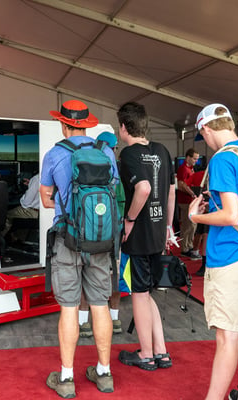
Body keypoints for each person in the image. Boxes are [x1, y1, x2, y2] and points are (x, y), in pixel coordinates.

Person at [188, 103, 238, 400]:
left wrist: (197, 218)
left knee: (227, 335)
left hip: (230, 254)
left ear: (206, 129)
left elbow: (232, 216)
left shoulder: (222, 159)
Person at [40, 100, 117, 397]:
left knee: (70, 307)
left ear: (63, 124)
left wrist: (63, 198)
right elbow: (112, 193)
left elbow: (46, 199)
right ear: (87, 124)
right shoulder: (106, 152)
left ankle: (67, 378)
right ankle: (104, 373)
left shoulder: (56, 154)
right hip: (101, 240)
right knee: (100, 305)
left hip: (68, 239)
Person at [115, 101, 175, 371]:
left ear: (124, 127)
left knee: (139, 293)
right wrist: (168, 227)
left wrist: (129, 220)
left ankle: (147, 354)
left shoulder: (128, 154)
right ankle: (161, 351)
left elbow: (143, 188)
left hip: (138, 234)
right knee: (147, 291)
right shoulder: (162, 150)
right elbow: (170, 192)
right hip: (159, 230)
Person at [78, 130, 124, 337]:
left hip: (87, 232)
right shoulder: (117, 178)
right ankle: (114, 320)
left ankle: (83, 322)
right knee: (114, 275)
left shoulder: (82, 172)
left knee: (84, 275)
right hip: (114, 233)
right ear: (113, 149)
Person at [177, 148, 202, 260]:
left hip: (190, 200)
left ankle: (188, 246)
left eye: (197, 159)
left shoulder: (190, 169)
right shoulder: (183, 169)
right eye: (194, 158)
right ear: (188, 157)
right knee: (188, 225)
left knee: (192, 225)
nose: (196, 161)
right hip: (185, 201)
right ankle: (185, 248)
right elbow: (181, 184)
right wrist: (192, 193)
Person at [2, 173, 40, 243]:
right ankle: (18, 238)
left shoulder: (37, 178)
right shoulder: (50, 177)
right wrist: (31, 184)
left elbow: (26, 203)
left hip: (33, 212)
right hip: (41, 212)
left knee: (6, 216)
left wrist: (21, 198)